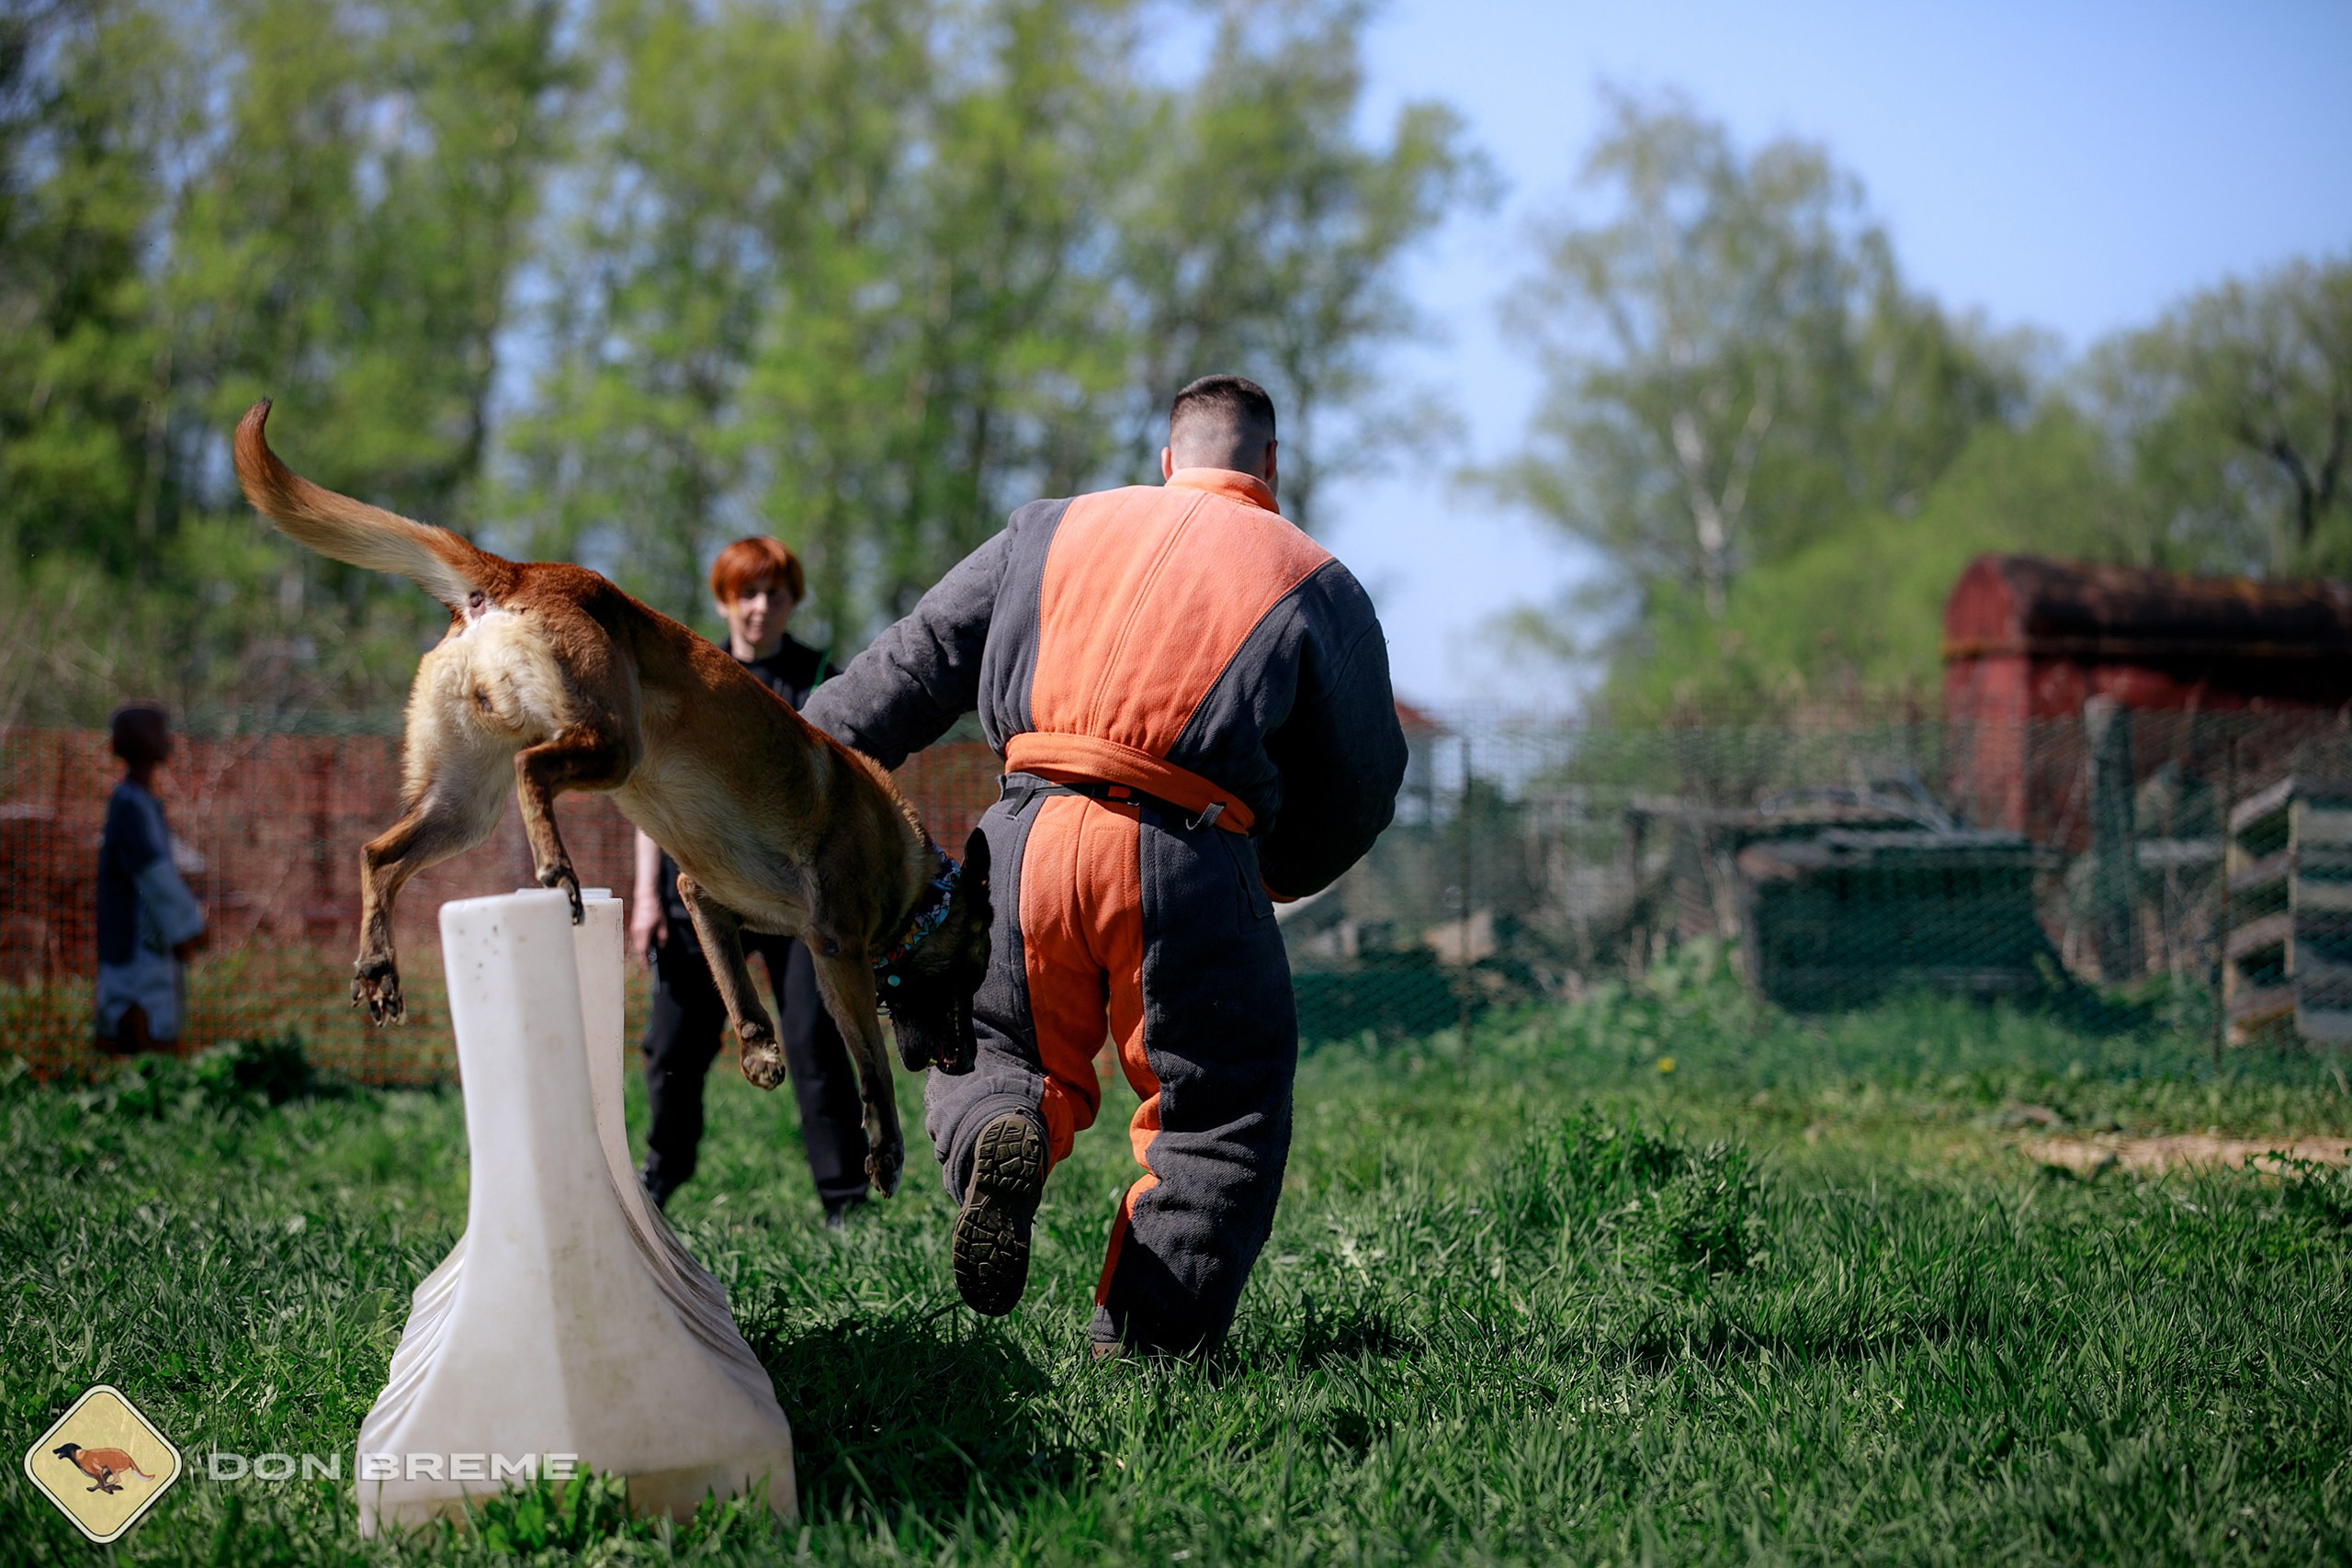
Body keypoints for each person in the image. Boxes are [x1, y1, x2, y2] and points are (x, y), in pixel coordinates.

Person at [804, 374, 1407, 1357]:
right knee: (1215, 1111)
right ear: (1270, 467)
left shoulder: (1049, 528)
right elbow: (1365, 782)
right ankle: (1142, 1343)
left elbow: (910, 666)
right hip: (1188, 852)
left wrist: (800, 763)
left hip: (1024, 833)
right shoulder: (1316, 581)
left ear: (1166, 462)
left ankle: (1008, 1132)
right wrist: (1277, 875)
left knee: (991, 1044)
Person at [629, 536, 872, 1224]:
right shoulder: (687, 677)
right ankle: (661, 1173)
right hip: (698, 897)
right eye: (747, 593)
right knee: (671, 1047)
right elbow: (653, 794)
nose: (761, 606)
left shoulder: (825, 676)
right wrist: (647, 895)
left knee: (814, 1040)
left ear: (794, 600)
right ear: (723, 600)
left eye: (775, 592)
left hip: (793, 899)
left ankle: (844, 1201)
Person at [96, 704, 207, 1055]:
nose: (167, 740)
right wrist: (189, 927)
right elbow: (153, 873)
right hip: (134, 938)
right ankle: (141, 1093)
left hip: (145, 935)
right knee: (137, 1011)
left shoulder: (139, 801)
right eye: (160, 732)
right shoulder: (130, 803)